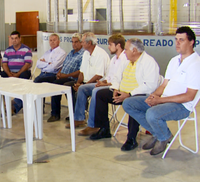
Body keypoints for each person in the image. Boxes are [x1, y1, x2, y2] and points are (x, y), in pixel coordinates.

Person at [123, 27, 200, 156]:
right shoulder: (174, 61)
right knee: (129, 103)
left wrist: (160, 100)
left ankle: (163, 137)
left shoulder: (195, 64)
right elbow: (164, 85)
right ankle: (158, 133)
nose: (177, 43)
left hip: (182, 106)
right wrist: (154, 96)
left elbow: (189, 96)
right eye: (176, 39)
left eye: (181, 40)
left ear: (191, 42)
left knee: (152, 113)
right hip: (164, 100)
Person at [89, 38, 160, 153]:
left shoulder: (149, 62)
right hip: (122, 92)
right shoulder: (126, 60)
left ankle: (131, 138)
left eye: (126, 49)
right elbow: (117, 77)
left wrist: (129, 94)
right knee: (100, 94)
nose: (124, 52)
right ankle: (104, 129)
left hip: (138, 95)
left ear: (134, 50)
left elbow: (150, 85)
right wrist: (116, 88)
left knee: (131, 102)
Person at [77, 34, 128, 135]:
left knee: (97, 91)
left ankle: (93, 125)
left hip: (118, 88)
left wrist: (105, 84)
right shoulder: (114, 60)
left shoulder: (125, 60)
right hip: (109, 85)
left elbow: (121, 81)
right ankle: (78, 118)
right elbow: (109, 78)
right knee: (83, 88)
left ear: (118, 45)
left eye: (110, 44)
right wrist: (102, 83)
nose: (108, 47)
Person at [65, 32, 110, 128]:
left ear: (89, 43)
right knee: (70, 87)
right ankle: (76, 116)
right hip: (86, 82)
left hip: (99, 83)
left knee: (82, 89)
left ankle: (80, 119)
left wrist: (83, 85)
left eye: (82, 42)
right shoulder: (86, 53)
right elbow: (82, 72)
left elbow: (98, 75)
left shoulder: (100, 54)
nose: (81, 44)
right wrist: (78, 83)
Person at [47, 33, 84, 122]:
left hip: (74, 78)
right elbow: (64, 65)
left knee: (61, 85)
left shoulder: (83, 54)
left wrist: (65, 76)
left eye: (76, 42)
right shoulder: (71, 53)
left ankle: (73, 114)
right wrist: (59, 73)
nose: (74, 44)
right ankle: (55, 114)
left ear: (81, 42)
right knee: (52, 83)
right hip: (64, 76)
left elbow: (80, 71)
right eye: (72, 42)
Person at [0, 31, 32, 114]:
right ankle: (3, 103)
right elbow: (4, 64)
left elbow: (27, 64)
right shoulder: (8, 50)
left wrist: (17, 74)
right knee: (0, 76)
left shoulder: (26, 49)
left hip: (22, 72)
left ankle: (15, 106)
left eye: (16, 38)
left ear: (20, 38)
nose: (14, 40)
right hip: (10, 73)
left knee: (24, 76)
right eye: (12, 38)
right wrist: (9, 74)